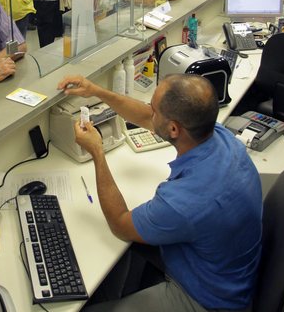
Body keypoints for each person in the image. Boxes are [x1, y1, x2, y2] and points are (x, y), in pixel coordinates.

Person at [57, 73, 262, 312]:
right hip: (227, 271)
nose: (149, 113)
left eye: (155, 110)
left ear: (174, 128)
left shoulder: (185, 201)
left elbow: (120, 224)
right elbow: (146, 116)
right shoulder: (220, 136)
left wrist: (97, 152)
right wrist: (98, 91)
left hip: (205, 300)